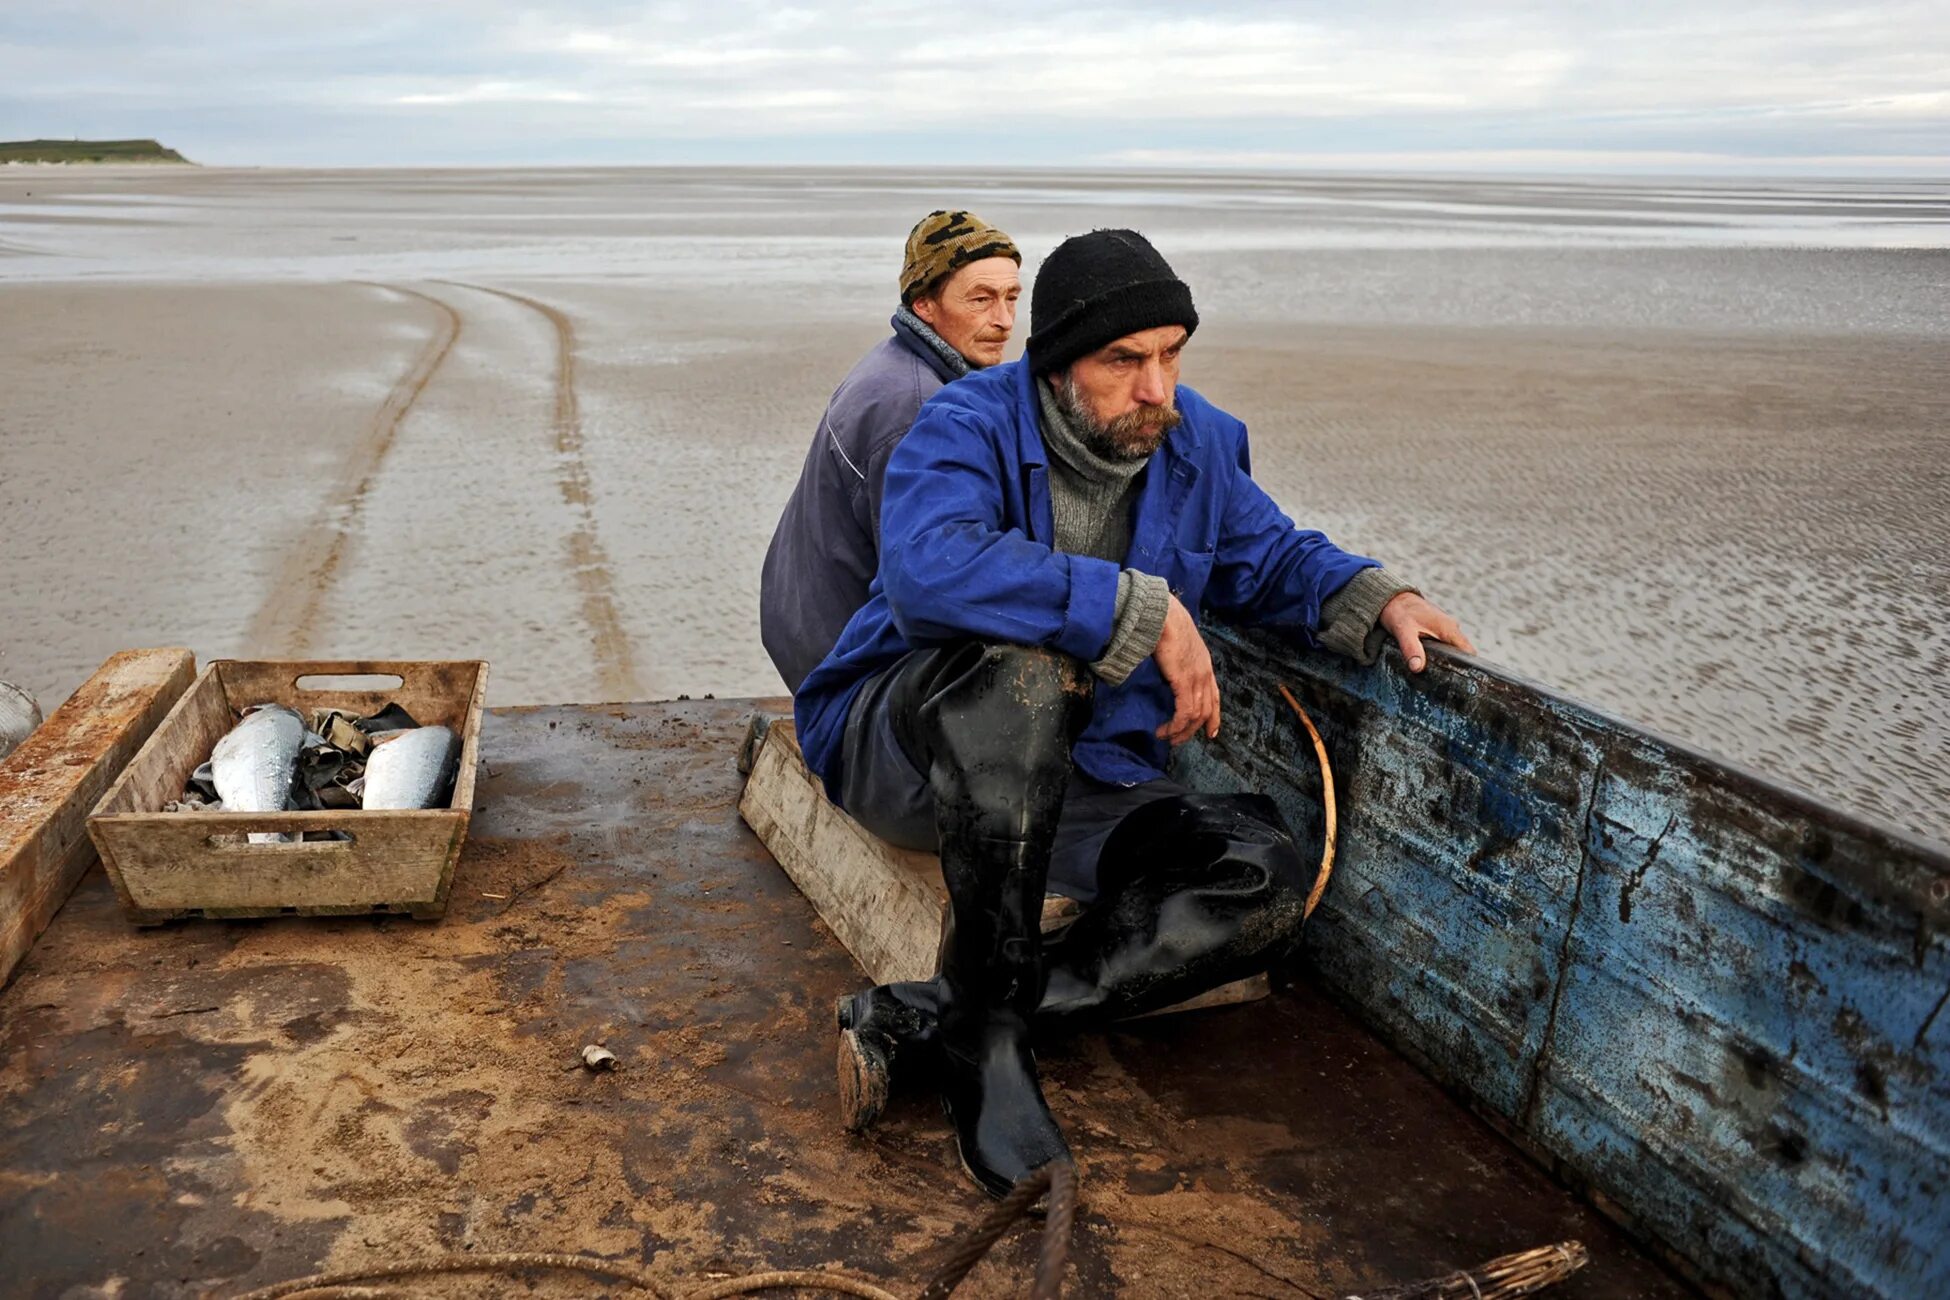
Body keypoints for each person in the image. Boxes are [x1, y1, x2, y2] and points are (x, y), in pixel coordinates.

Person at [792, 229, 1476, 1198]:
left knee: (1263, 873)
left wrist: (1373, 597)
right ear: (1059, 363)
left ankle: (952, 1014)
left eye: (1170, 354)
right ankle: (986, 1056)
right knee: (1018, 674)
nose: (1156, 386)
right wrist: (1135, 606)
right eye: (1125, 359)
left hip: (1081, 775)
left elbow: (1268, 558)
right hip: (908, 751)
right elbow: (926, 571)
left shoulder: (1193, 440)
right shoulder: (965, 424)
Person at [760, 210, 1022, 692]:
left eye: (1011, 298)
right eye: (981, 300)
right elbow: (926, 582)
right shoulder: (915, 407)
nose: (1003, 321)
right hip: (836, 658)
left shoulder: (896, 361)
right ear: (924, 303)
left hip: (798, 618)